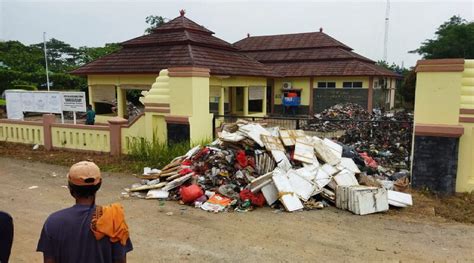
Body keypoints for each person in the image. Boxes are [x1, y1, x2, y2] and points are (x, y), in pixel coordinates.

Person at [37, 161, 133, 263]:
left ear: (70, 188)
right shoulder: (114, 219)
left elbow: (49, 260)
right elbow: (120, 260)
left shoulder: (53, 222)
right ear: (99, 185)